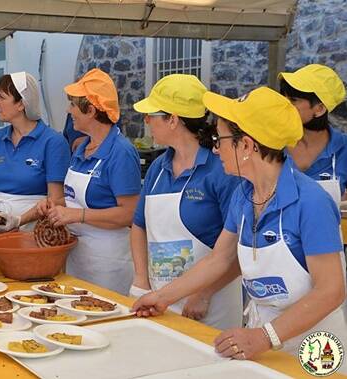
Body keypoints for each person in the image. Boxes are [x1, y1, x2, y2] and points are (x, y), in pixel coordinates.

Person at [132, 87, 346, 369]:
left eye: (219, 140)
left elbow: (331, 290)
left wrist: (264, 337)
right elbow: (220, 258)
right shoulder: (244, 195)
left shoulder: (311, 202)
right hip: (262, 339)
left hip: (315, 347)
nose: (216, 148)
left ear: (246, 145)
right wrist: (161, 298)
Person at [129, 74, 242, 329]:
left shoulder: (220, 170)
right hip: (159, 300)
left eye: (152, 115)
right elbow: (139, 225)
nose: (146, 121)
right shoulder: (158, 167)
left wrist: (204, 292)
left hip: (208, 306)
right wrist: (140, 278)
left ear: (173, 119)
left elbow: (237, 248)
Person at [40, 68, 141, 295]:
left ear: (91, 110)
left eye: (73, 105)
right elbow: (74, 201)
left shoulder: (121, 152)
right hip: (78, 257)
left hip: (107, 263)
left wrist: (77, 216)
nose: (69, 111)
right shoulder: (82, 148)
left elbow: (130, 213)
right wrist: (56, 208)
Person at [0, 72, 70, 234]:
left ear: (21, 104)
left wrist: (18, 221)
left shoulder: (53, 142)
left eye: (1, 97)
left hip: (31, 230)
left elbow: (56, 199)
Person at [279, 64, 347, 206]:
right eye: (283, 97)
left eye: (293, 100)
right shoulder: (271, 144)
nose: (284, 104)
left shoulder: (343, 149)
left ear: (320, 109)